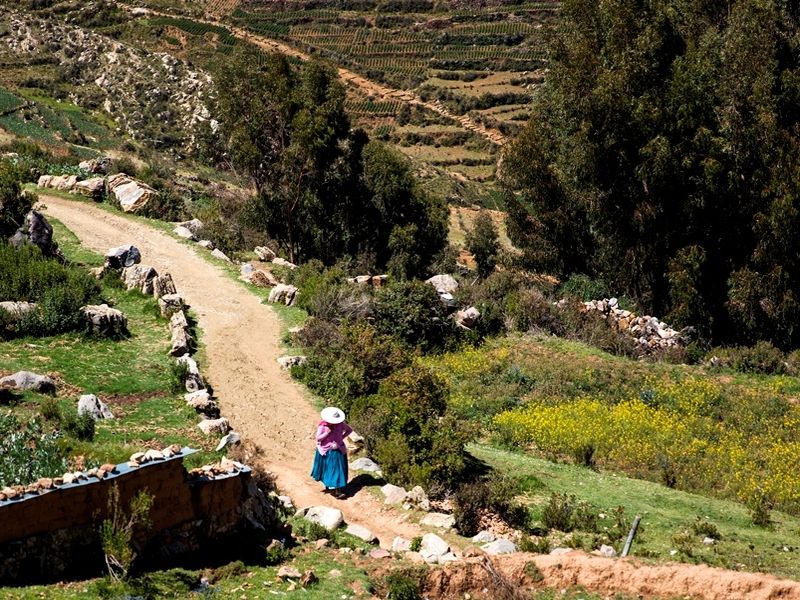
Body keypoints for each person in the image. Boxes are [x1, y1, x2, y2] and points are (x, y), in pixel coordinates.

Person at [310, 406, 352, 499]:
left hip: (338, 449)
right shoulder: (323, 425)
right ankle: (331, 486)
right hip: (325, 450)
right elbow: (318, 438)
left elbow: (349, 430)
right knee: (328, 469)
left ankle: (337, 490)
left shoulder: (340, 424)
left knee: (336, 470)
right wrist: (327, 433)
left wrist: (341, 437)